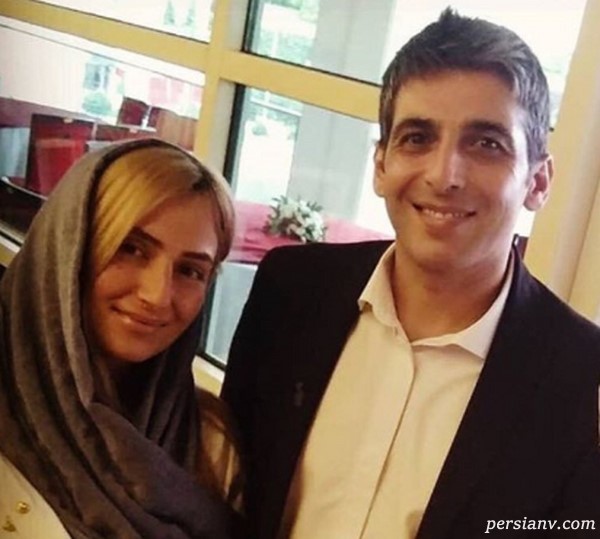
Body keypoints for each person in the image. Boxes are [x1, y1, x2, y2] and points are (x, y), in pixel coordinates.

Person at [222, 8, 600, 539]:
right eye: (417, 138)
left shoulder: (581, 380)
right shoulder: (291, 292)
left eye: (486, 143)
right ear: (381, 165)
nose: (445, 176)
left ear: (537, 181)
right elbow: (228, 495)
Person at [0, 138, 244, 538]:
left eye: (190, 271)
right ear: (69, 246)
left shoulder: (211, 445)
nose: (157, 295)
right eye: (131, 249)